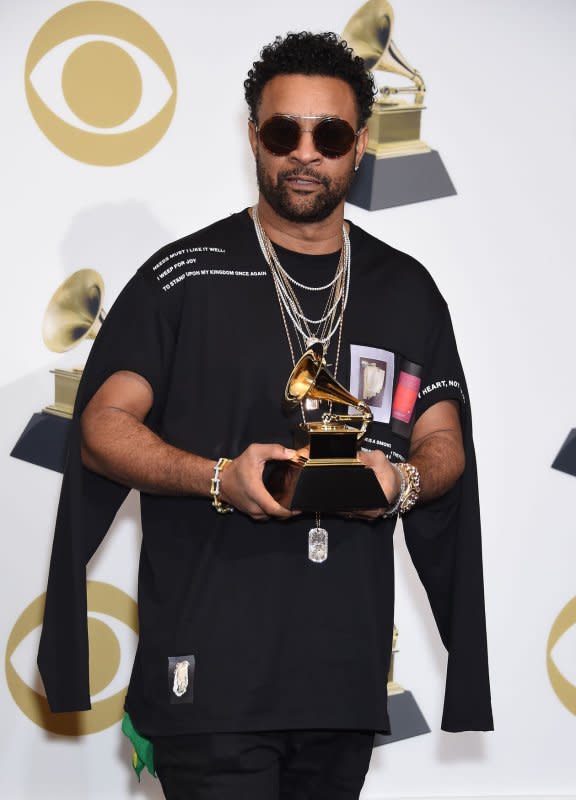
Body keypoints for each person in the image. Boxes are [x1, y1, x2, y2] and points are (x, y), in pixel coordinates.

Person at [38, 31, 492, 800]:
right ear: (255, 135)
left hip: (342, 684)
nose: (305, 153)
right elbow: (103, 426)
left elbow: (443, 436)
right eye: (284, 132)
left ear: (360, 146)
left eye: (330, 134)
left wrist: (403, 481)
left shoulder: (404, 288)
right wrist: (218, 477)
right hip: (207, 677)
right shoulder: (183, 276)